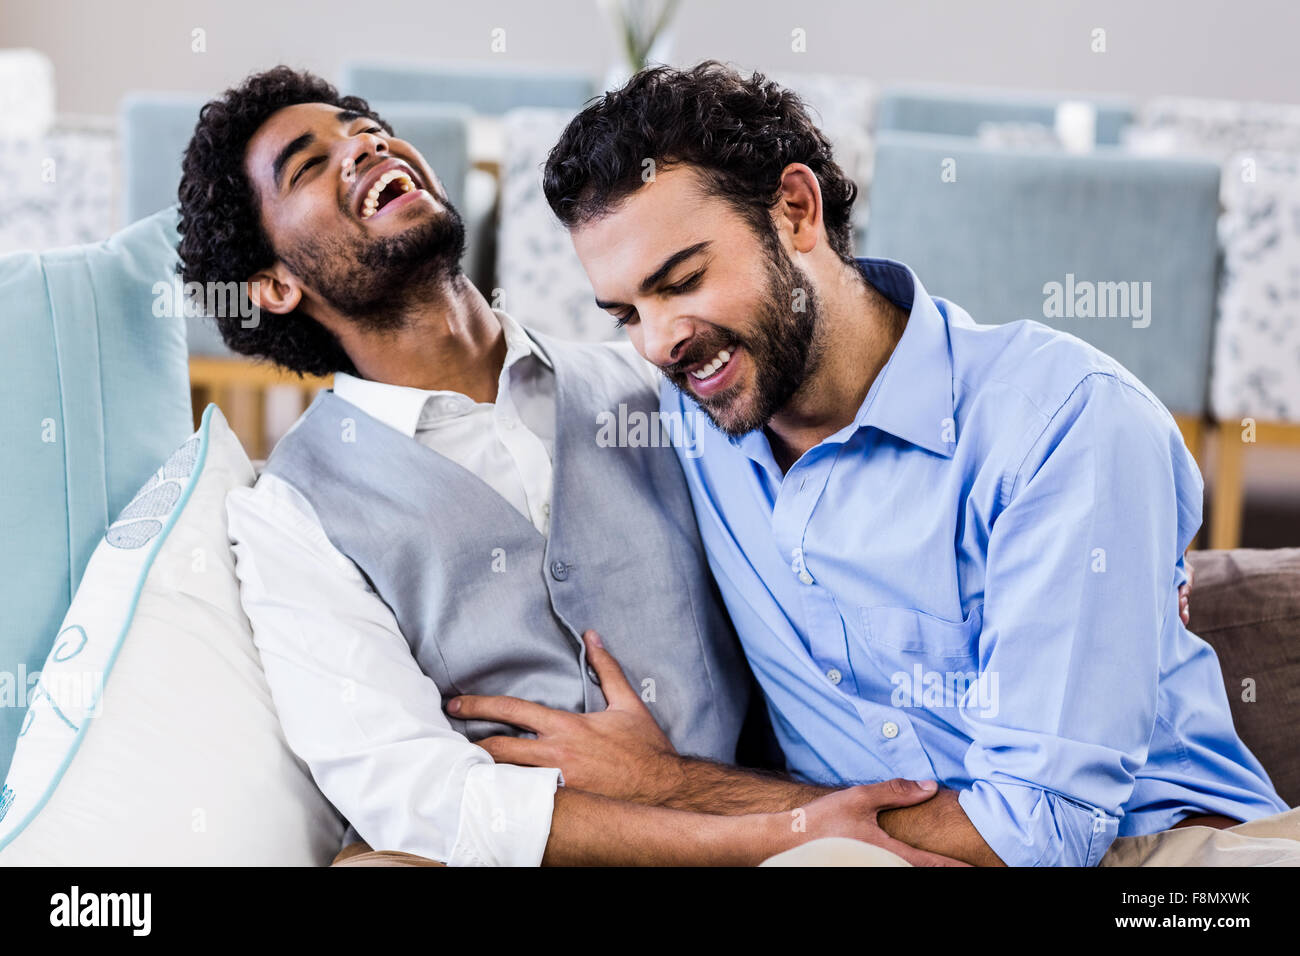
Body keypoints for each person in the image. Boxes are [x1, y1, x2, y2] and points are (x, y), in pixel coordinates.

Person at [451, 61, 1296, 867]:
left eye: (684, 279)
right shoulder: (685, 410)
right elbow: (470, 377)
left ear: (795, 209)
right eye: (626, 312)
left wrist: (673, 788)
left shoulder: (1064, 422)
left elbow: (1040, 831)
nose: (659, 339)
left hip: (1164, 856)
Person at [176, 66, 966, 867]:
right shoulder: (292, 511)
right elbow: (413, 792)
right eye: (309, 163)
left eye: (362, 125)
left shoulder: (666, 384)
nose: (364, 144)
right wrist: (740, 834)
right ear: (273, 286)